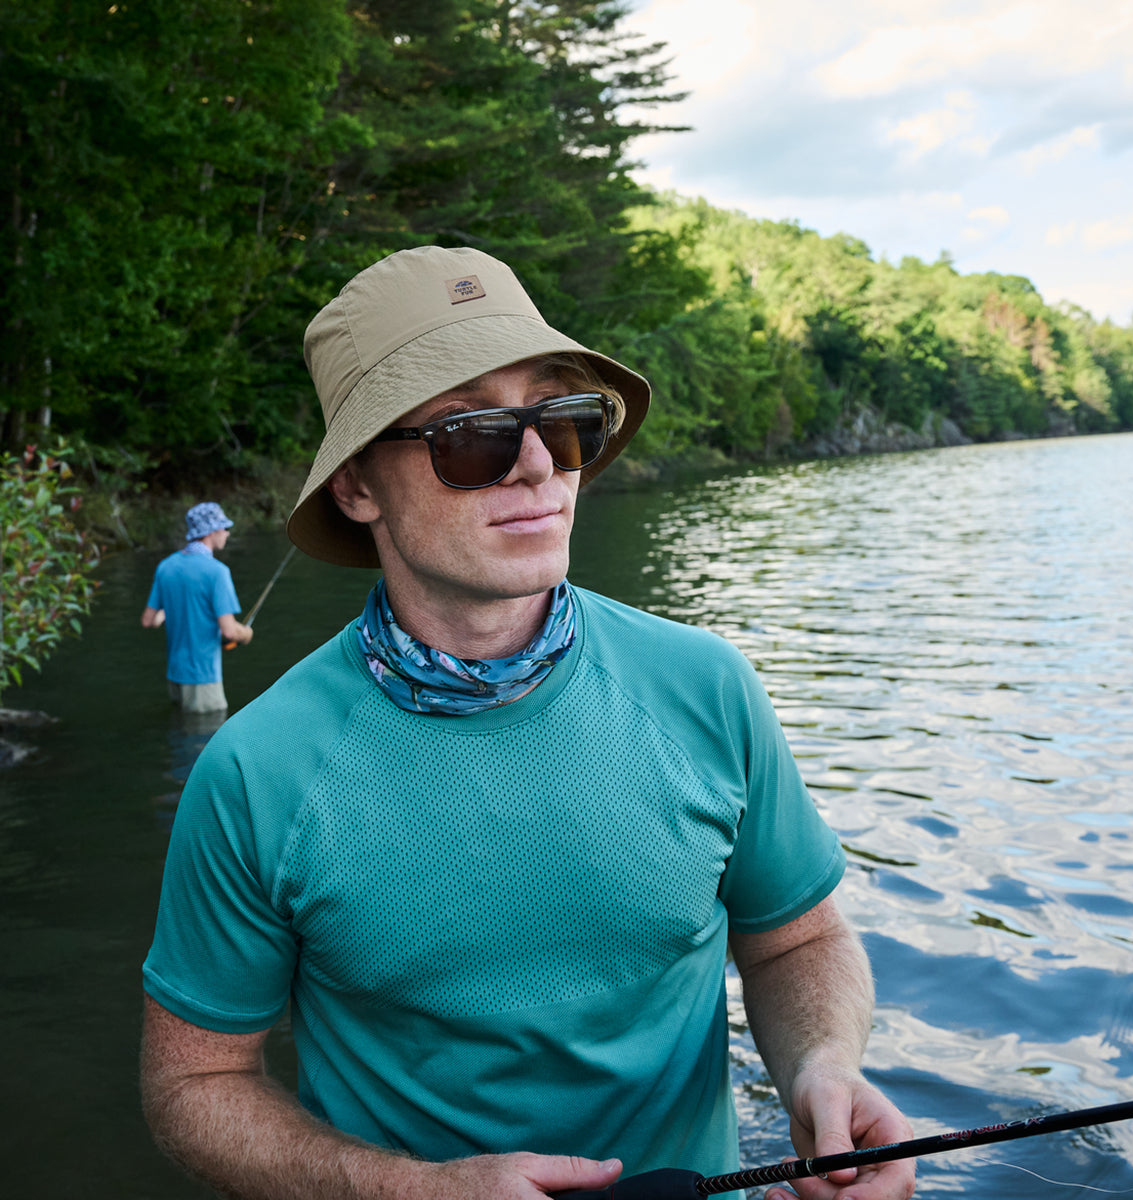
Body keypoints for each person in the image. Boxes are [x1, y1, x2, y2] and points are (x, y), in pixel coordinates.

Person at [140, 245, 915, 1200]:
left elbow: (796, 940)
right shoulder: (256, 773)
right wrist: (414, 1192)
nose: (541, 464)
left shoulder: (707, 688)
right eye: (472, 435)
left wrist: (822, 1069)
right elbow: (194, 1082)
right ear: (357, 487)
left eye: (566, 419)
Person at [141, 501, 253, 714]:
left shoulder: (166, 566)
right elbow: (229, 631)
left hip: (175, 676)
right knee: (206, 739)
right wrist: (246, 634)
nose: (227, 533)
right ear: (212, 531)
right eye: (225, 528)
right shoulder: (217, 572)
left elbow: (149, 620)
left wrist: (172, 610)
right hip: (203, 679)